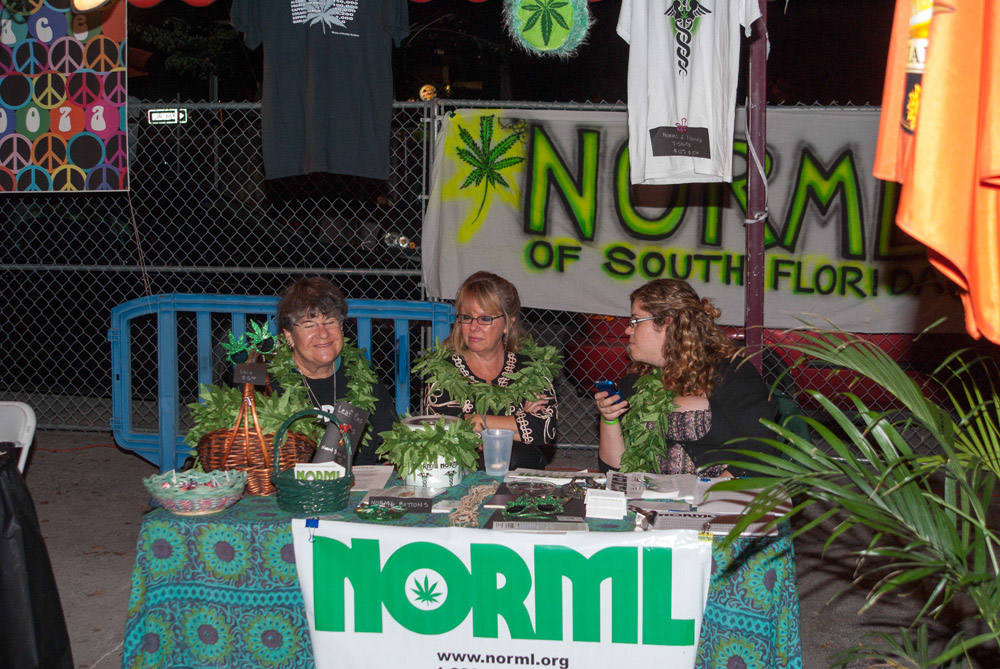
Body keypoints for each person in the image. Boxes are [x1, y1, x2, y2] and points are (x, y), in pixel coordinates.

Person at [595, 279, 779, 477]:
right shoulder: (637, 380)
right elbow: (615, 472)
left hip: (721, 498)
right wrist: (609, 419)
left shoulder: (731, 373)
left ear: (668, 322)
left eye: (635, 321)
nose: (627, 330)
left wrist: (706, 499)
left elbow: (757, 450)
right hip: (651, 502)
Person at [419, 271, 558, 470]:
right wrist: (516, 423)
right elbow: (445, 432)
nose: (473, 327)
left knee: (522, 456)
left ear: (507, 323)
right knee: (513, 455)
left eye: (485, 319)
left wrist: (474, 420)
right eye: (467, 317)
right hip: (462, 475)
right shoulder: (444, 371)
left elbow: (543, 429)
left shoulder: (530, 368)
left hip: (518, 479)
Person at [277, 277, 396, 465]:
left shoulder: (364, 376)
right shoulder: (269, 386)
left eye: (330, 321)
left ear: (341, 327)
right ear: (289, 335)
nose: (323, 333)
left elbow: (391, 442)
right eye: (309, 324)